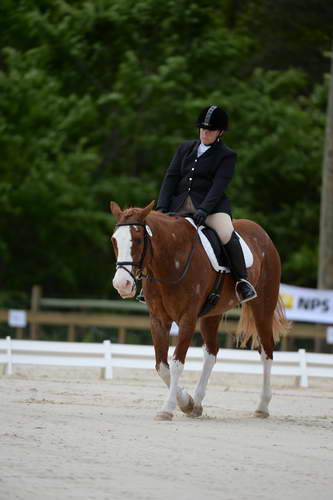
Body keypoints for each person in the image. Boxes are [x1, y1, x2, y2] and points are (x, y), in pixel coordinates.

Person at [137, 105, 257, 304]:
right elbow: (171, 177)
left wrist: (205, 209)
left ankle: (241, 281)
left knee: (226, 233)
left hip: (211, 208)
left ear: (220, 132)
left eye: (209, 130)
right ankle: (147, 285)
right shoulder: (185, 148)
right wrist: (161, 208)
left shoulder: (226, 155)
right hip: (178, 205)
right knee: (156, 233)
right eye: (202, 129)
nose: (205, 133)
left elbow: (219, 186)